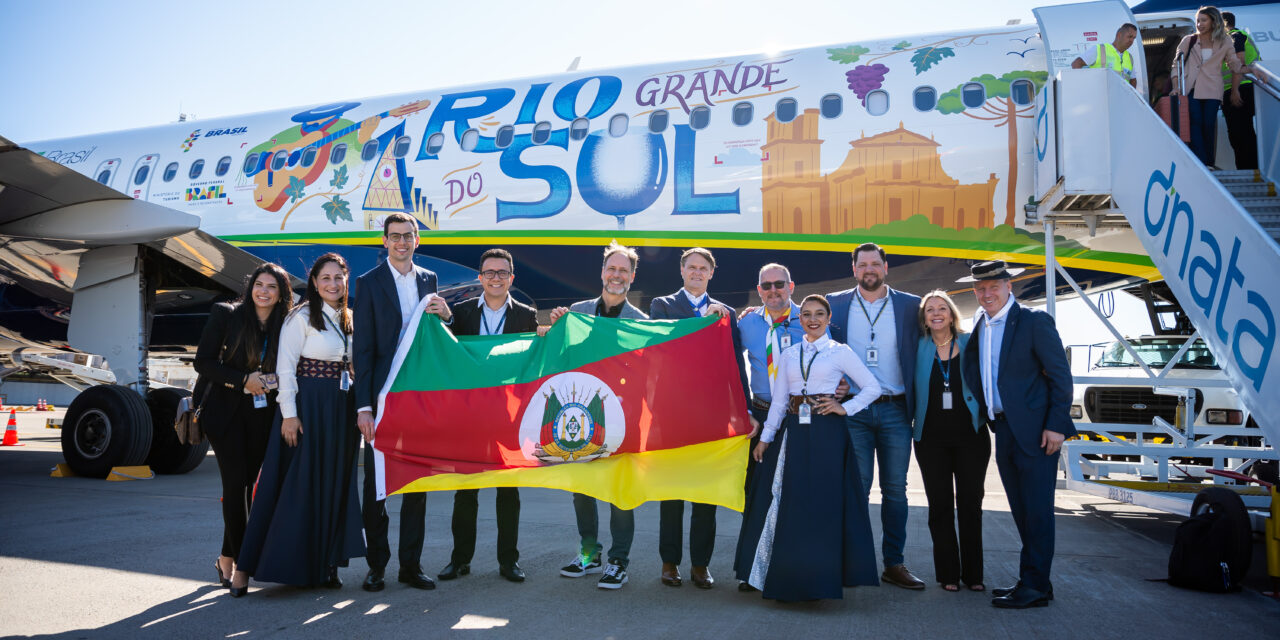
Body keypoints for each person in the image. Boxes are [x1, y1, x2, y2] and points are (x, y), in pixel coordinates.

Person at [230, 253, 365, 595]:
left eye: (339, 278)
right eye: (325, 279)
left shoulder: (350, 318)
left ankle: (324, 565)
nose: (333, 284)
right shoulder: (300, 317)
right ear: (315, 283)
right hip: (306, 405)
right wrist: (289, 415)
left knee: (332, 485)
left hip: (339, 407)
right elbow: (287, 369)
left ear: (346, 280)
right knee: (286, 486)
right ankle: (243, 570)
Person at [734, 294, 882, 601]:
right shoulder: (789, 354)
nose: (812, 319)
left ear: (828, 319)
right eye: (807, 315)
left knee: (820, 503)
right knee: (781, 499)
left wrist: (846, 408)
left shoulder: (839, 352)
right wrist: (766, 438)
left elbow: (872, 387)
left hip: (827, 432)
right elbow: (778, 402)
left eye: (819, 314)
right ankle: (771, 572)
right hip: (793, 431)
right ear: (800, 321)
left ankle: (818, 578)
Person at [959, 260, 1077, 609]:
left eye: (994, 286)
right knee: (1022, 511)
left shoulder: (1033, 321)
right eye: (980, 288)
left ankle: (1035, 584)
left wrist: (1056, 424)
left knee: (1038, 511)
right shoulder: (982, 325)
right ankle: (1036, 581)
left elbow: (1060, 376)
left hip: (1039, 432)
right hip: (1005, 428)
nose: (986, 292)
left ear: (1009, 287)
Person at [353, 212, 452, 592]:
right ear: (384, 241)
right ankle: (376, 565)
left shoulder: (428, 279)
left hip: (418, 396)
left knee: (416, 485)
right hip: (381, 396)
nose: (402, 242)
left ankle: (410, 565)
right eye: (395, 236)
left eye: (408, 236)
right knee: (376, 486)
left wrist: (445, 316)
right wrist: (363, 406)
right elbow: (361, 351)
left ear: (417, 240)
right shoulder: (369, 283)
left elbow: (434, 337)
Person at [648, 247, 751, 590]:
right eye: (691, 267)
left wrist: (744, 409)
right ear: (681, 271)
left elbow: (736, 364)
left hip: (711, 415)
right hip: (672, 414)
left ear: (711, 274)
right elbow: (664, 346)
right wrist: (704, 320)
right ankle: (669, 562)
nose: (696, 272)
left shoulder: (727, 313)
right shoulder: (661, 305)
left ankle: (700, 564)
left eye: (702, 268)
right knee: (672, 491)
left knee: (705, 492)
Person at [546, 241, 647, 590]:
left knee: (619, 493)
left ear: (631, 278)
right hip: (581, 414)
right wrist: (556, 325)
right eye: (611, 269)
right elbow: (561, 356)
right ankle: (589, 554)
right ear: (602, 272)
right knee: (583, 490)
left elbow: (645, 376)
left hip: (622, 417)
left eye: (623, 271)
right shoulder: (576, 311)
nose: (616, 275)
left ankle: (619, 561)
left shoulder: (641, 322)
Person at [826, 243, 924, 589]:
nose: (869, 269)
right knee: (857, 487)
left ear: (885, 267)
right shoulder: (834, 303)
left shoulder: (911, 306)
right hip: (853, 409)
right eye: (862, 264)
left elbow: (941, 332)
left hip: (897, 409)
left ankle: (893, 563)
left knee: (896, 490)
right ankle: (853, 561)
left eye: (875, 263)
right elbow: (803, 323)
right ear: (853, 269)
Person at [438, 248, 537, 584]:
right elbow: (446, 355)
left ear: (512, 278)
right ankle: (459, 560)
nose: (496, 278)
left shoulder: (526, 315)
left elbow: (531, 365)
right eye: (490, 272)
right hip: (469, 417)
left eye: (502, 273)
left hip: (509, 417)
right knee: (465, 492)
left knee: (508, 493)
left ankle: (509, 561)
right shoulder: (461, 313)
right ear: (479, 277)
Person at [196, 263, 292, 590]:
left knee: (250, 485)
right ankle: (242, 566)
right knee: (235, 485)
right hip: (225, 412)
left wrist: (274, 380)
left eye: (271, 287)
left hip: (263, 415)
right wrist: (242, 381)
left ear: (281, 295)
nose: (263, 292)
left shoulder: (286, 324)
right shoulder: (226, 314)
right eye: (258, 284)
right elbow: (203, 362)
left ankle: (225, 558)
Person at [911, 290, 988, 593]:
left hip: (972, 437)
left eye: (942, 308)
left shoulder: (971, 343)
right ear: (925, 319)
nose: (936, 313)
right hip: (930, 440)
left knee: (971, 504)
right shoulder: (917, 348)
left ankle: (974, 575)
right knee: (939, 507)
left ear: (953, 313)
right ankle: (948, 574)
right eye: (930, 310)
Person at [736, 263, 806, 491]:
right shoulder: (747, 322)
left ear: (791, 286)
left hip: (798, 413)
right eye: (767, 285)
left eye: (779, 284)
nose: (773, 290)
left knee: (796, 484)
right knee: (757, 486)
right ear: (759, 290)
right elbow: (730, 364)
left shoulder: (810, 319)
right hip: (761, 413)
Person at [1172, 5, 1251, 167]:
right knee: (1195, 122)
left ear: (1214, 21)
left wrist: (1252, 70)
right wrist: (1176, 86)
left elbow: (1234, 64)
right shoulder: (1189, 40)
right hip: (1191, 87)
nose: (1199, 24)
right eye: (1198, 21)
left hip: (1213, 89)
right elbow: (1176, 66)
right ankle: (1201, 162)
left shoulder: (1226, 41)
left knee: (1208, 124)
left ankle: (1208, 161)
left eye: (1203, 20)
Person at [1221, 11, 1261, 170]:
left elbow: (1238, 62)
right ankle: (1248, 167)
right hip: (1242, 88)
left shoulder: (1234, 36)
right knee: (1241, 133)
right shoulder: (1237, 36)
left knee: (1240, 134)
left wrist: (1235, 91)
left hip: (1240, 88)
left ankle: (1250, 169)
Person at [1070, 23, 1139, 87]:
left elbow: (1133, 80)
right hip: (1101, 99)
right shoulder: (1100, 49)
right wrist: (1082, 88)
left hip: (1121, 99)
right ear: (1119, 35)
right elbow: (1076, 64)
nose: (1131, 41)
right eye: (1129, 37)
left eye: (1134, 38)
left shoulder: (1129, 57)